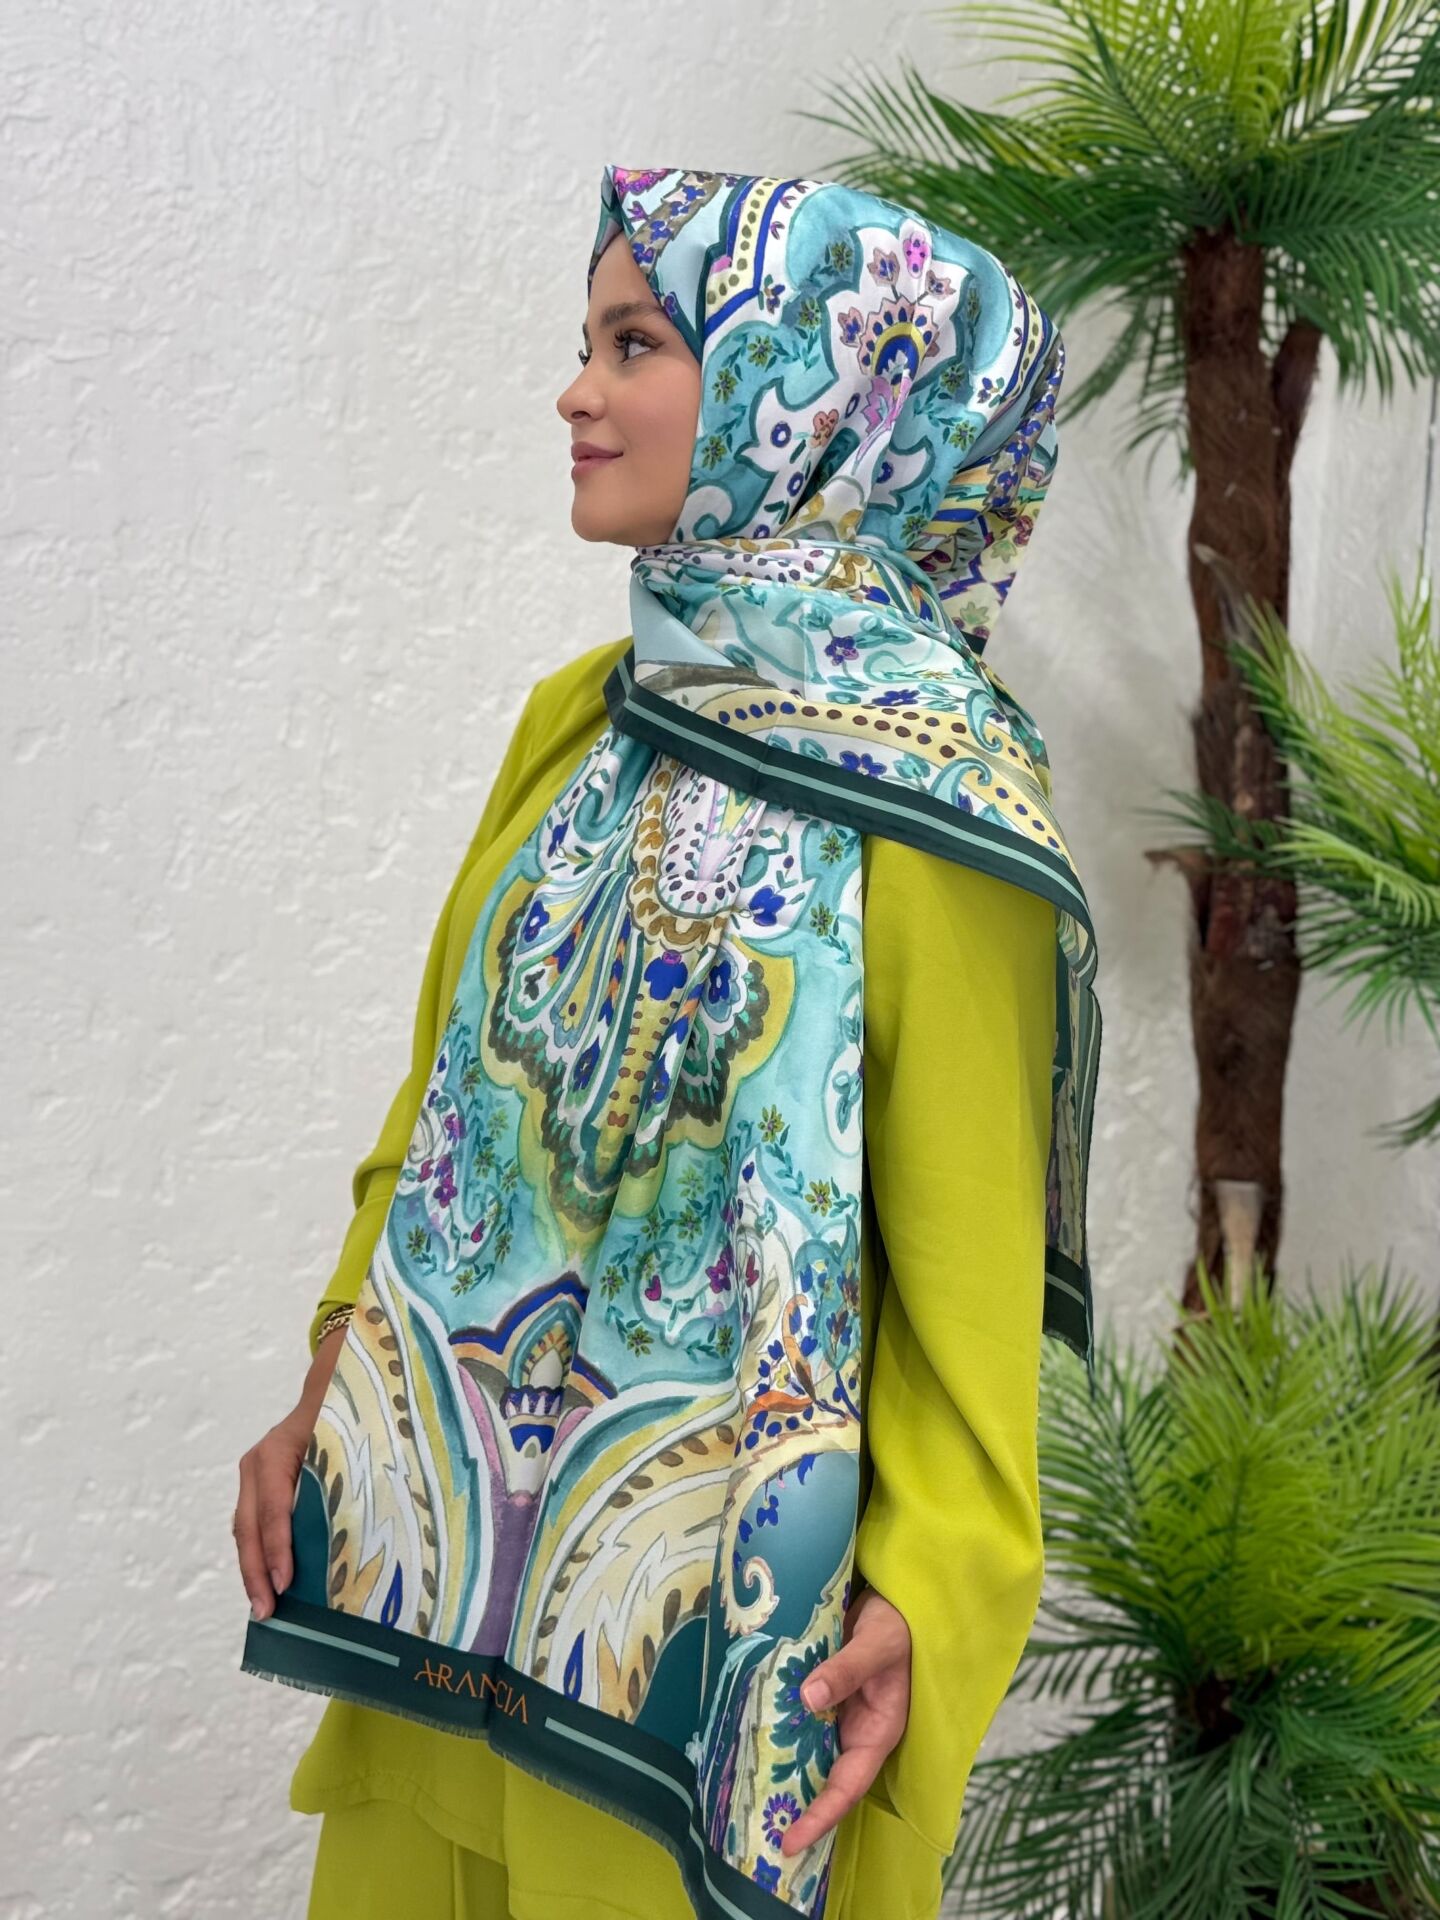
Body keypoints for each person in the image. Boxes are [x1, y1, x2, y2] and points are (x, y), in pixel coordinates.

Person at [233, 162, 1100, 1920]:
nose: (577, 390)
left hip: (710, 1679)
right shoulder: (582, 721)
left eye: (635, 343)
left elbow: (968, 1290)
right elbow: (436, 1109)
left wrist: (929, 1597)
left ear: (820, 397)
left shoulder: (937, 815)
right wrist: (331, 1367)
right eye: (590, 342)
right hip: (434, 1605)